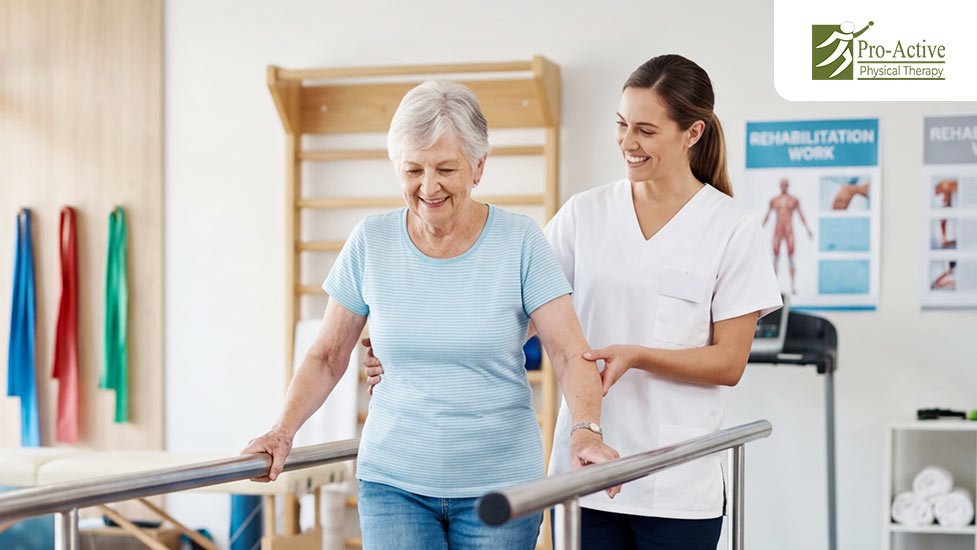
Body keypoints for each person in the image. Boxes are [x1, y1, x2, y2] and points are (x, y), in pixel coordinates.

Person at [365, 55, 782, 550]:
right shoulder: (584, 214)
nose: (628, 143)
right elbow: (511, 315)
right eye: (622, 125)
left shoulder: (731, 228)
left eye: (646, 130)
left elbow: (729, 361)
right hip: (584, 476)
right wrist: (412, 351)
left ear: (692, 133)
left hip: (677, 482)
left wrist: (637, 355)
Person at [242, 81, 619, 550]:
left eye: (445, 168)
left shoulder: (520, 242)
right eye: (413, 169)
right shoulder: (371, 241)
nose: (428, 186)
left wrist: (585, 431)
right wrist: (282, 432)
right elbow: (327, 355)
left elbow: (568, 352)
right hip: (393, 482)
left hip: (500, 486)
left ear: (479, 167)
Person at [763, 177, 813, 294]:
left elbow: (801, 215)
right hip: (778, 230)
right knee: (776, 258)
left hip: (789, 230)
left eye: (786, 184)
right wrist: (759, 229)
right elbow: (767, 215)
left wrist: (808, 229)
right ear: (780, 185)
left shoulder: (793, 200)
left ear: (788, 185)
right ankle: (774, 288)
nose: (784, 186)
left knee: (790, 258)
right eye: (782, 184)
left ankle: (793, 287)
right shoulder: (774, 200)